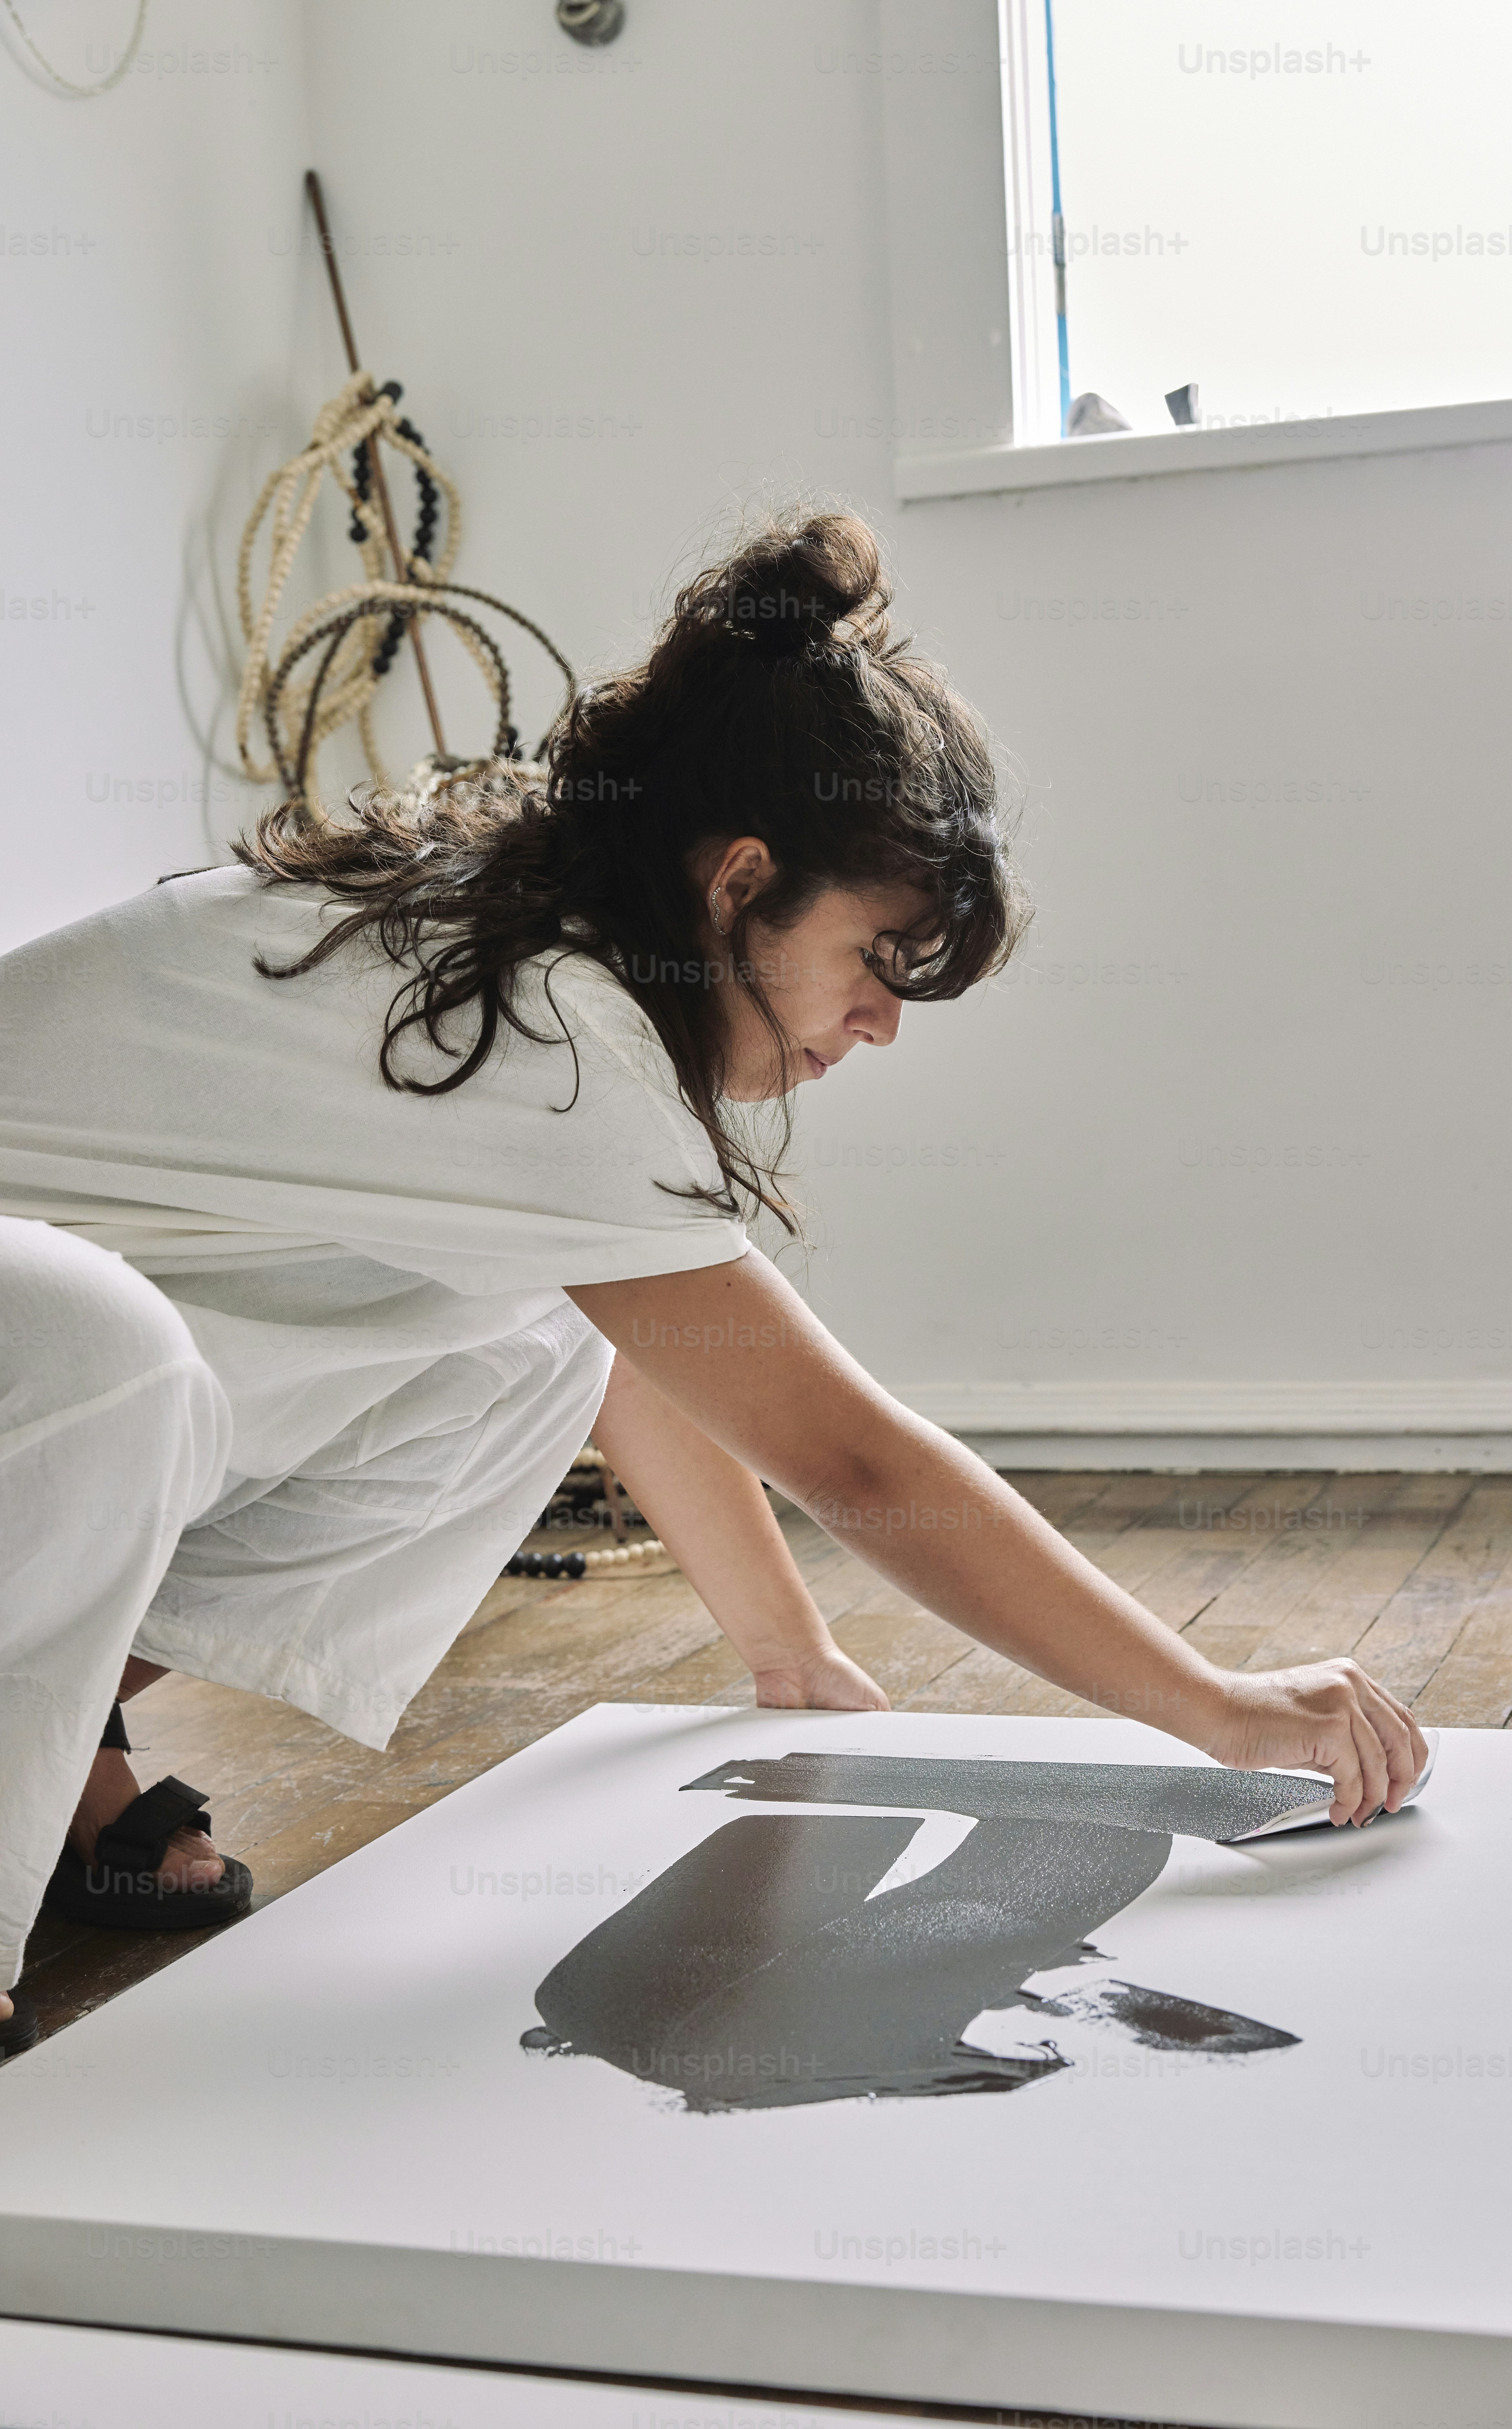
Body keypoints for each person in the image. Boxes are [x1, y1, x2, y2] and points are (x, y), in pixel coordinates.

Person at [0, 510, 1425, 2054]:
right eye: (880, 959)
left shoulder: (547, 961)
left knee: (520, 1347)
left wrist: (784, 1648)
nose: (885, 1024)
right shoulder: (549, 1030)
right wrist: (1214, 1710)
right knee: (107, 1348)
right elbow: (852, 1455)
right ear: (744, 879)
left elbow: (643, 1347)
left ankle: (60, 1735)